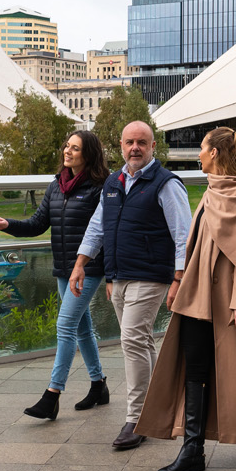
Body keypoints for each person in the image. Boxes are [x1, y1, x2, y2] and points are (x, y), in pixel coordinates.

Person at [137, 126, 236, 471]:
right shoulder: (210, 192)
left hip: (229, 300)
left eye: (202, 149)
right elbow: (196, 246)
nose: (198, 155)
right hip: (197, 295)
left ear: (216, 154)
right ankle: (193, 450)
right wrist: (179, 284)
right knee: (195, 366)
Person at [69, 121, 191, 451]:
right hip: (119, 277)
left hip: (152, 276)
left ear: (153, 147)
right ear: (120, 147)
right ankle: (155, 409)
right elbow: (98, 228)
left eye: (142, 142)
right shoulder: (114, 182)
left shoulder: (166, 184)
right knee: (141, 343)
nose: (134, 148)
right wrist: (81, 264)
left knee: (132, 340)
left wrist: (179, 279)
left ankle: (136, 419)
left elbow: (184, 235)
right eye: (129, 142)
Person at [0, 131, 111, 420]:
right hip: (62, 269)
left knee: (65, 325)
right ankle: (98, 385)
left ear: (88, 154)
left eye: (75, 148)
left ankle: (52, 395)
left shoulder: (99, 188)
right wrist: (8, 225)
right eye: (66, 145)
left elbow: (105, 231)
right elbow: (37, 224)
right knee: (81, 328)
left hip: (88, 268)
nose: (67, 151)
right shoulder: (57, 185)